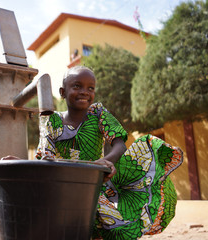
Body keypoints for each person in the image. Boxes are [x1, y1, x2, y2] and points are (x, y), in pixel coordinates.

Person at [34, 66, 183, 240]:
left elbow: (120, 146)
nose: (84, 92)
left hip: (96, 182)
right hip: (63, 185)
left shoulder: (98, 114)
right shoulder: (52, 121)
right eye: (77, 86)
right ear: (63, 92)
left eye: (91, 88)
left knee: (145, 149)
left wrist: (105, 162)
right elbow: (45, 156)